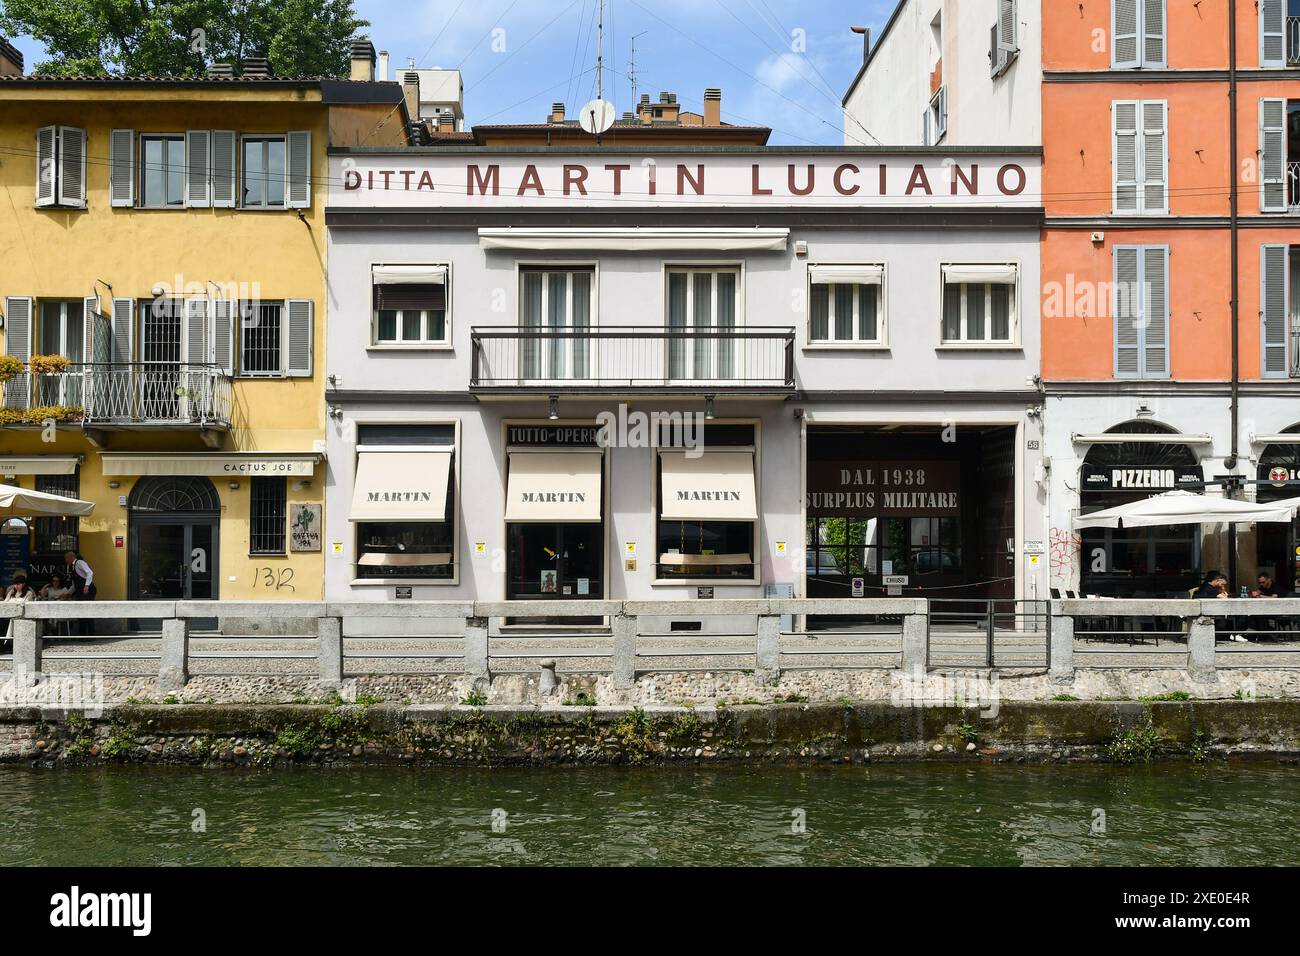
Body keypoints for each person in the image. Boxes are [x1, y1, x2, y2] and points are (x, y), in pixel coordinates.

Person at [64, 550, 96, 636]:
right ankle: (82, 634)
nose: (66, 561)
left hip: (87, 591)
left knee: (87, 612)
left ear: (71, 557)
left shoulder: (79, 562)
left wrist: (87, 586)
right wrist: (68, 593)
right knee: (81, 612)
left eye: (66, 558)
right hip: (80, 591)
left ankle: (91, 634)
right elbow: (75, 585)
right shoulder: (72, 567)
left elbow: (90, 573)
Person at [3, 571, 35, 646]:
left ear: (23, 584)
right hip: (10, 615)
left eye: (18, 584)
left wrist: (14, 601)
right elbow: (5, 602)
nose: (16, 586)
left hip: (23, 617)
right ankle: (7, 644)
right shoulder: (11, 592)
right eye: (15, 584)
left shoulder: (29, 593)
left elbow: (25, 604)